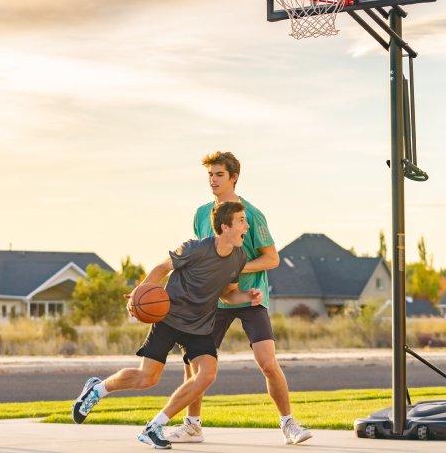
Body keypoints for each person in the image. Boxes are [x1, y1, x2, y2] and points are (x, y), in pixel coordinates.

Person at [72, 201, 258, 450]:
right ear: (225, 227)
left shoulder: (239, 258)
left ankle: (154, 427)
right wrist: (138, 295)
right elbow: (161, 268)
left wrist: (246, 296)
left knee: (207, 374)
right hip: (169, 320)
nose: (247, 226)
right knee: (146, 378)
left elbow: (227, 294)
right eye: (242, 221)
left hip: (199, 326)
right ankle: (97, 390)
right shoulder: (194, 248)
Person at [168, 151, 311, 445]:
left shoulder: (252, 215)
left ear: (233, 178)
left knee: (267, 362)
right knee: (194, 363)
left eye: (219, 174)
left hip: (249, 298)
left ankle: (289, 424)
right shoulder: (201, 214)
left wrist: (237, 267)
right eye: (210, 175)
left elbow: (272, 259)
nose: (213, 180)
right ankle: (192, 426)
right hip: (214, 300)